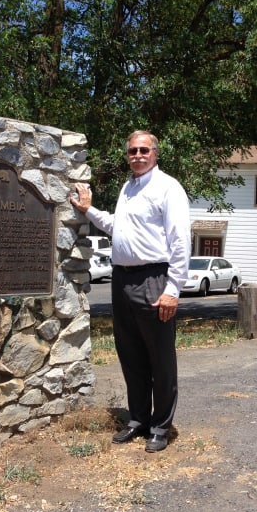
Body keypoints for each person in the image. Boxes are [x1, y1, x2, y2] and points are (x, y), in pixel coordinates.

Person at [71, 130, 191, 452]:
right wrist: (88, 211)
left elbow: (180, 241)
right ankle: (138, 419)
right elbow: (118, 227)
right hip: (121, 280)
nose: (137, 156)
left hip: (154, 279)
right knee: (131, 355)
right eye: (132, 151)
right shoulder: (128, 188)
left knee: (160, 358)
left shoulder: (168, 188)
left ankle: (160, 426)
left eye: (143, 150)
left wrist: (173, 289)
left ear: (155, 153)